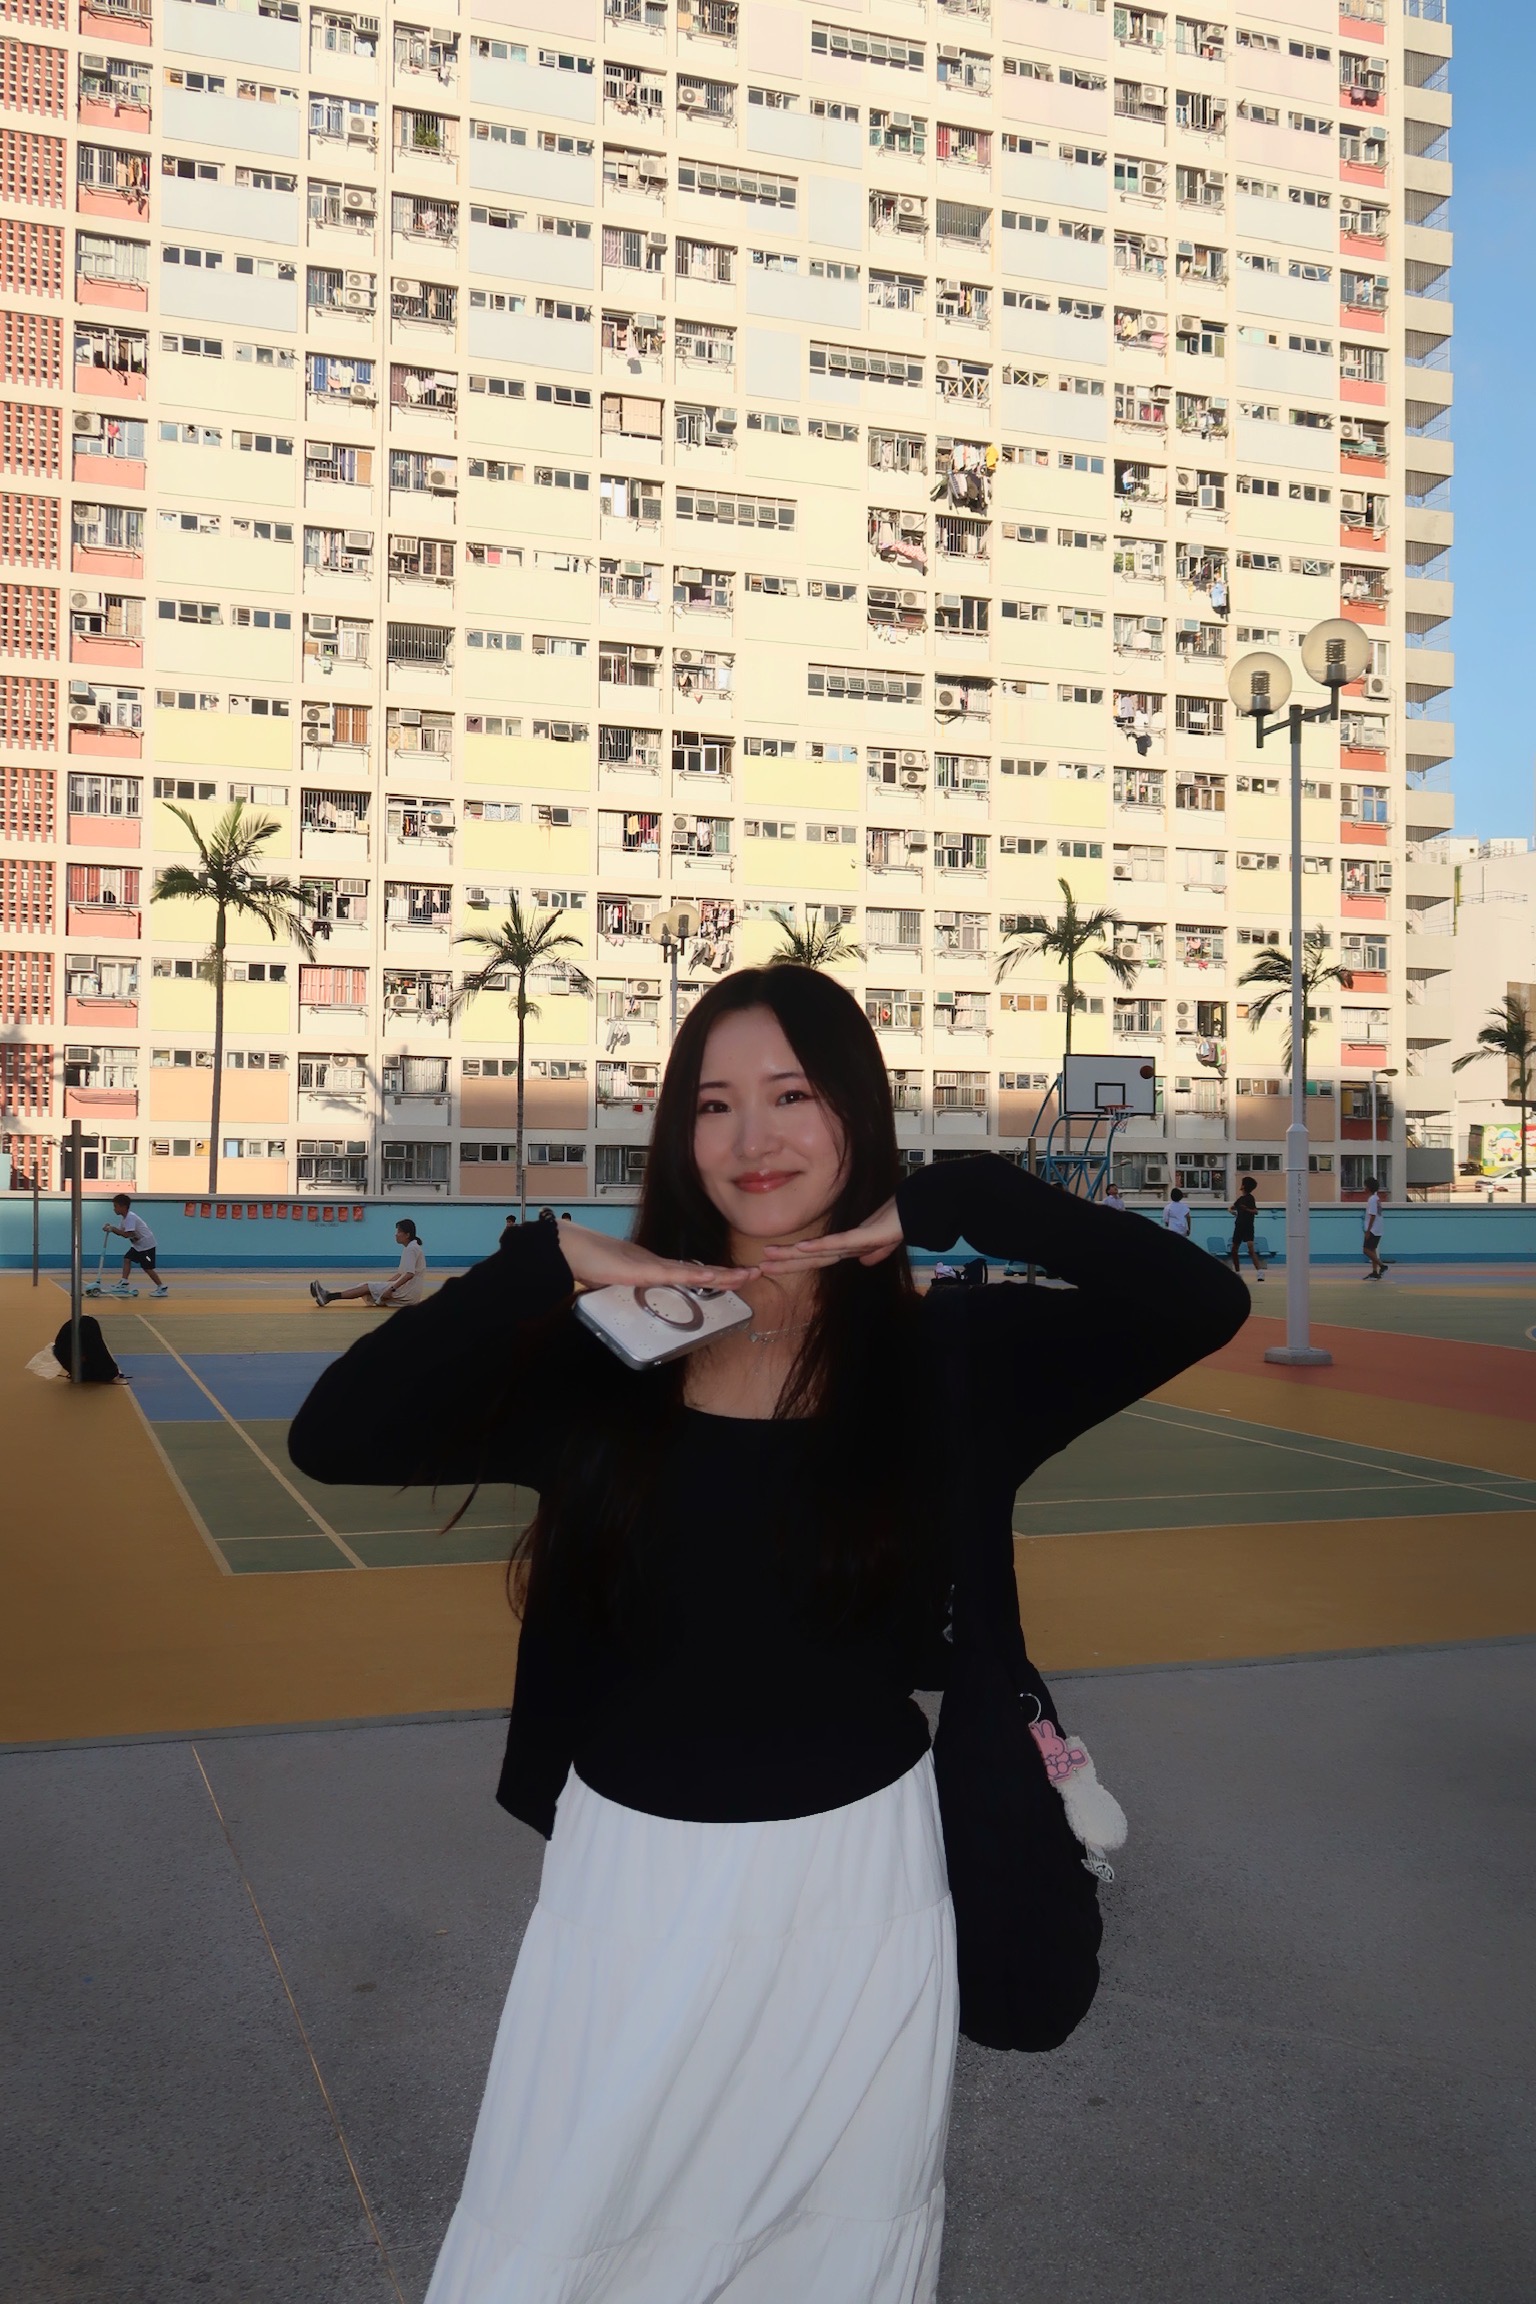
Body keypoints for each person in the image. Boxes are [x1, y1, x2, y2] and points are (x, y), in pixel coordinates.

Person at [289, 967, 1248, 2304]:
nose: (753, 1139)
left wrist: (959, 1200)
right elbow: (336, 1436)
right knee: (562, 2245)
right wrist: (544, 1260)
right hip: (630, 1890)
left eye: (793, 1096)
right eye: (713, 1104)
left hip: (860, 1891)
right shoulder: (607, 1351)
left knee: (824, 2256)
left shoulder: (956, 1359)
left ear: (856, 1113)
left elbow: (1201, 1305)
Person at [309, 1220, 428, 1309]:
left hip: (407, 1293)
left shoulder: (411, 1249)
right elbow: (400, 1274)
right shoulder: (411, 1247)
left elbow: (409, 1274)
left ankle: (328, 1297)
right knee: (366, 1287)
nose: (396, 1234)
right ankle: (328, 1296)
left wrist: (391, 1288)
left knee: (366, 1287)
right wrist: (386, 1285)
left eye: (399, 1232)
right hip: (409, 1292)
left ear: (407, 1235)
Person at [102, 1194, 168, 1297]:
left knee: (147, 1268)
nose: (114, 1209)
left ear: (123, 1207)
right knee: (127, 1259)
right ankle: (124, 1282)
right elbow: (120, 1232)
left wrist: (113, 1229)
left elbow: (127, 1234)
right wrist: (110, 1228)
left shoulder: (130, 1217)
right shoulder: (125, 1219)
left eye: (115, 1206)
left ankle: (161, 1287)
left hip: (146, 1245)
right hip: (138, 1245)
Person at [1228, 1174, 1268, 1280]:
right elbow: (1231, 1207)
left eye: (1242, 1184)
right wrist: (1232, 1211)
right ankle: (1237, 1272)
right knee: (1234, 1249)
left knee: (1250, 1248)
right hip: (1239, 1226)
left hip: (1248, 1226)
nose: (1240, 1185)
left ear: (1244, 1186)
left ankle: (1260, 1272)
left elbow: (1256, 1211)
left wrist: (1246, 1209)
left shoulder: (1250, 1198)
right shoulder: (1240, 1199)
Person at [1362, 1176, 1388, 1280]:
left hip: (1373, 1229)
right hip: (1378, 1228)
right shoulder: (1377, 1199)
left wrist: (1368, 1231)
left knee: (1366, 1250)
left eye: (1365, 1186)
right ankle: (1374, 1271)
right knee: (1372, 1250)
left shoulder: (1372, 1199)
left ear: (1369, 1188)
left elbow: (1372, 1215)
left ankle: (1382, 1265)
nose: (1364, 1188)